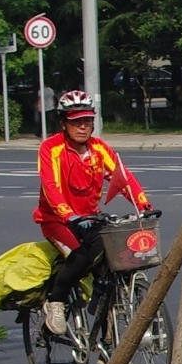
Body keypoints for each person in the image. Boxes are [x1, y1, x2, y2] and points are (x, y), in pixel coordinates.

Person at [33, 88, 149, 338]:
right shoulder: (51, 148)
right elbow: (50, 186)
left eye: (87, 121)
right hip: (57, 220)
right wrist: (68, 215)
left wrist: (143, 205)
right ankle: (55, 302)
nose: (83, 127)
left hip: (90, 218)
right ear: (63, 123)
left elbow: (122, 178)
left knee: (112, 259)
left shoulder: (99, 149)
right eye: (76, 121)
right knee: (79, 259)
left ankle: (106, 324)